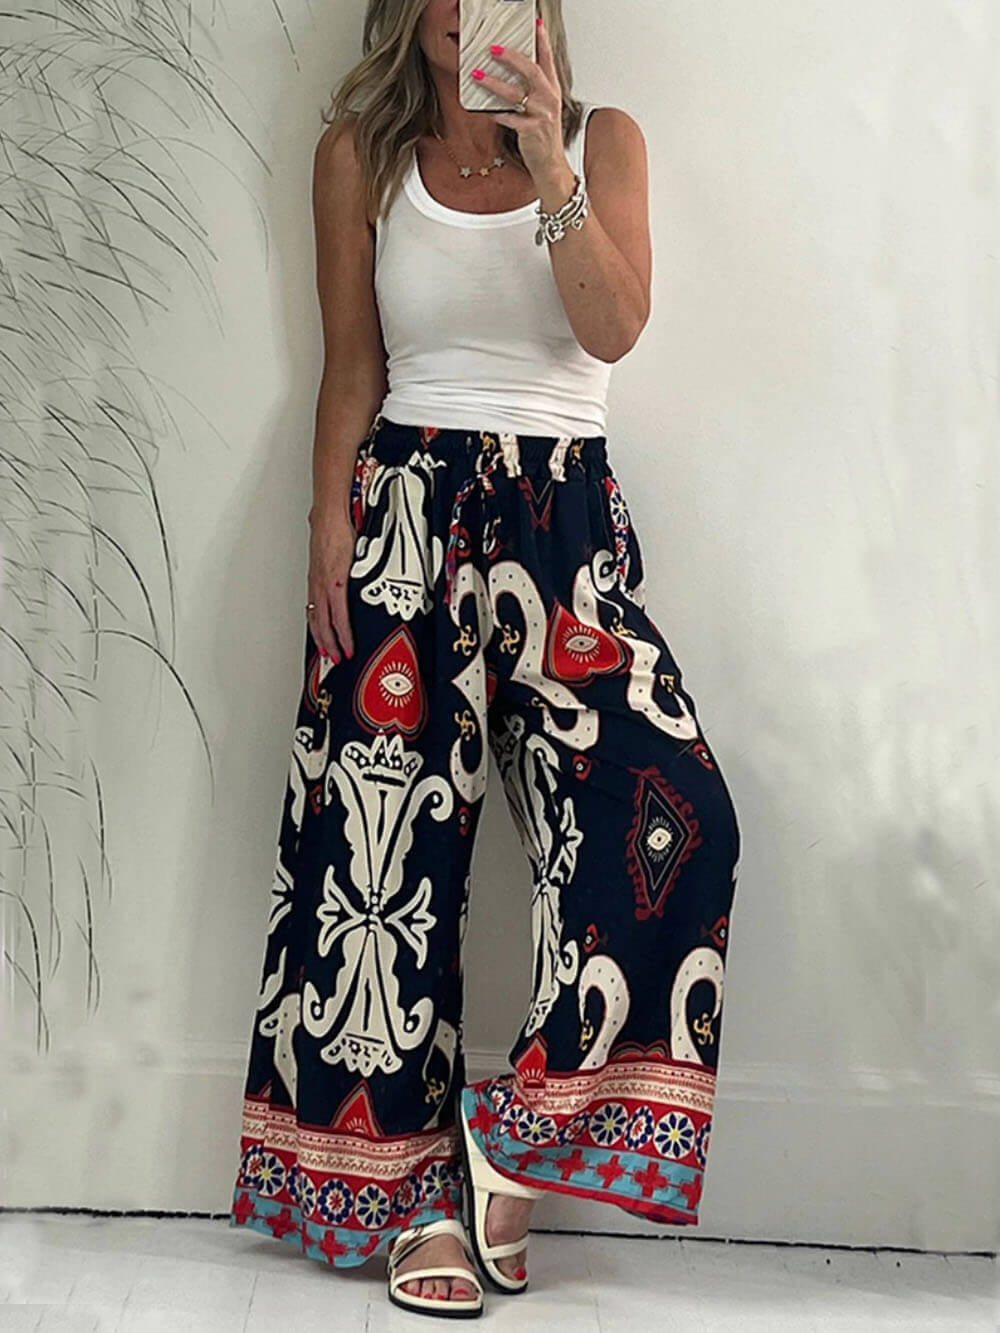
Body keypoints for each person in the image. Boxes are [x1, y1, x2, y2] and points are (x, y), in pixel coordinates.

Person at [229, 0, 742, 1319]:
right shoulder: (362, 154)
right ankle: (410, 1198)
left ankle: (506, 1144)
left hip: (564, 528)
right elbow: (352, 366)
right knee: (387, 869)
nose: (467, 9)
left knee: (676, 812)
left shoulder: (604, 140)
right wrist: (326, 526)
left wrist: (549, 159)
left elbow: (613, 330)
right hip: (405, 514)